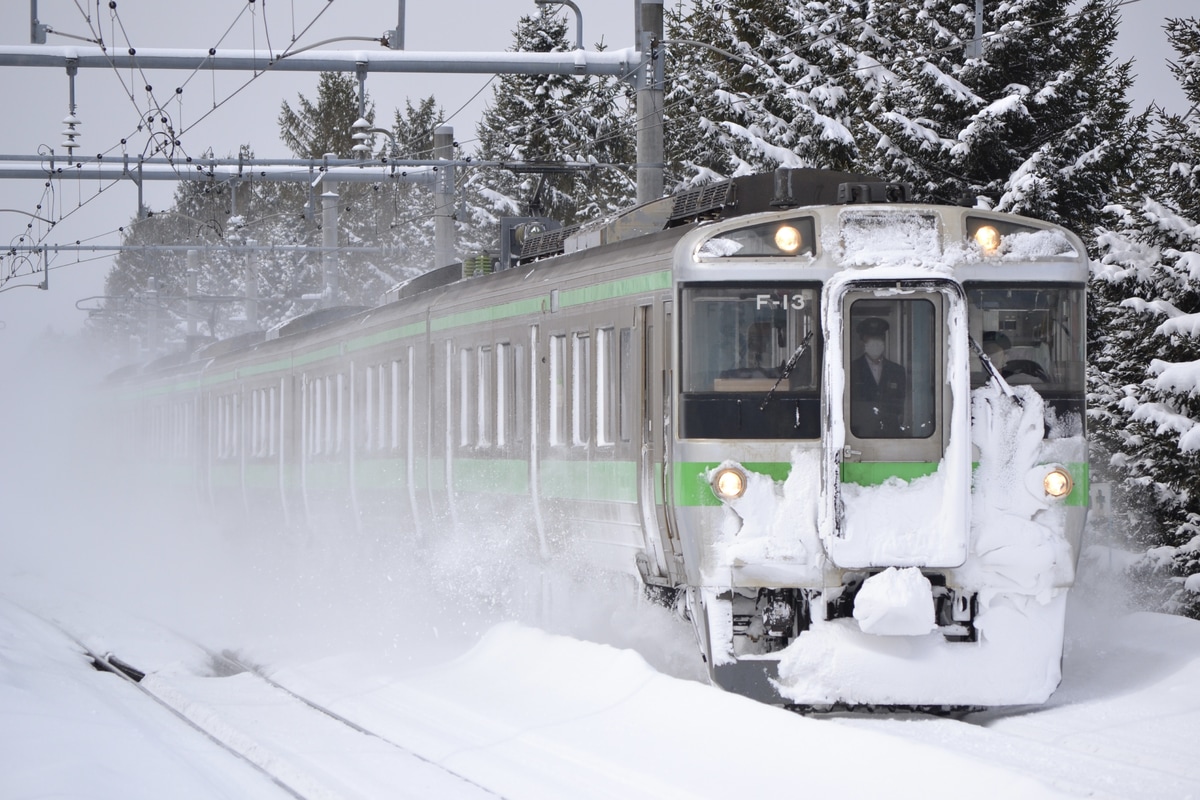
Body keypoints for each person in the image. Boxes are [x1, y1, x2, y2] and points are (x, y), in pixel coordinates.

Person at [849, 317, 907, 437]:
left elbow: (900, 405)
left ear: (884, 340)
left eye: (878, 337)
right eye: (870, 337)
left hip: (890, 434)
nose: (875, 342)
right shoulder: (851, 370)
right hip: (859, 435)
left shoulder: (897, 371)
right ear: (862, 341)